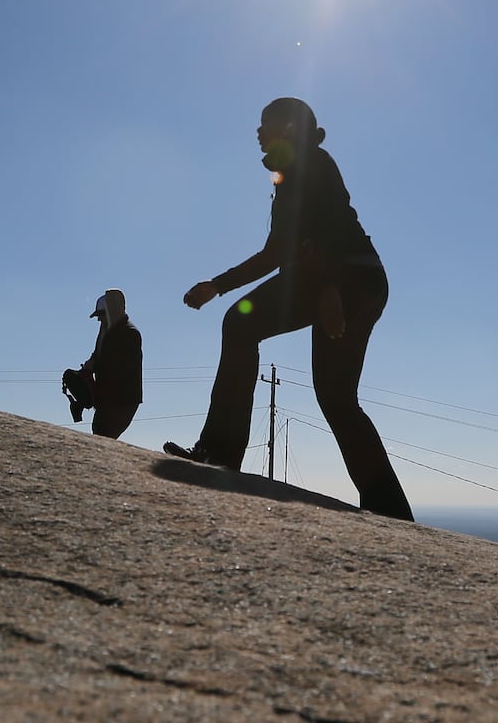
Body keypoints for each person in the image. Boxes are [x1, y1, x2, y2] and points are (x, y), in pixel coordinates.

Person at [165, 98, 414, 521]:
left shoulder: (313, 163)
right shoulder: (290, 172)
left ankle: (220, 454)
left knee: (258, 337)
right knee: (335, 397)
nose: (258, 132)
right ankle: (388, 506)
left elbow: (334, 225)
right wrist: (218, 286)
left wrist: (330, 290)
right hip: (344, 280)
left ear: (288, 128)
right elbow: (276, 252)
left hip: (347, 280)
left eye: (266, 124)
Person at [67, 289, 142, 439]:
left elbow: (121, 369)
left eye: (101, 314)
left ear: (112, 311)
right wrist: (90, 365)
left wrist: (93, 373)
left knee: (103, 434)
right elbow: (99, 354)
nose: (99, 319)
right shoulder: (106, 330)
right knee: (100, 432)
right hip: (107, 400)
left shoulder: (129, 333)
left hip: (122, 401)